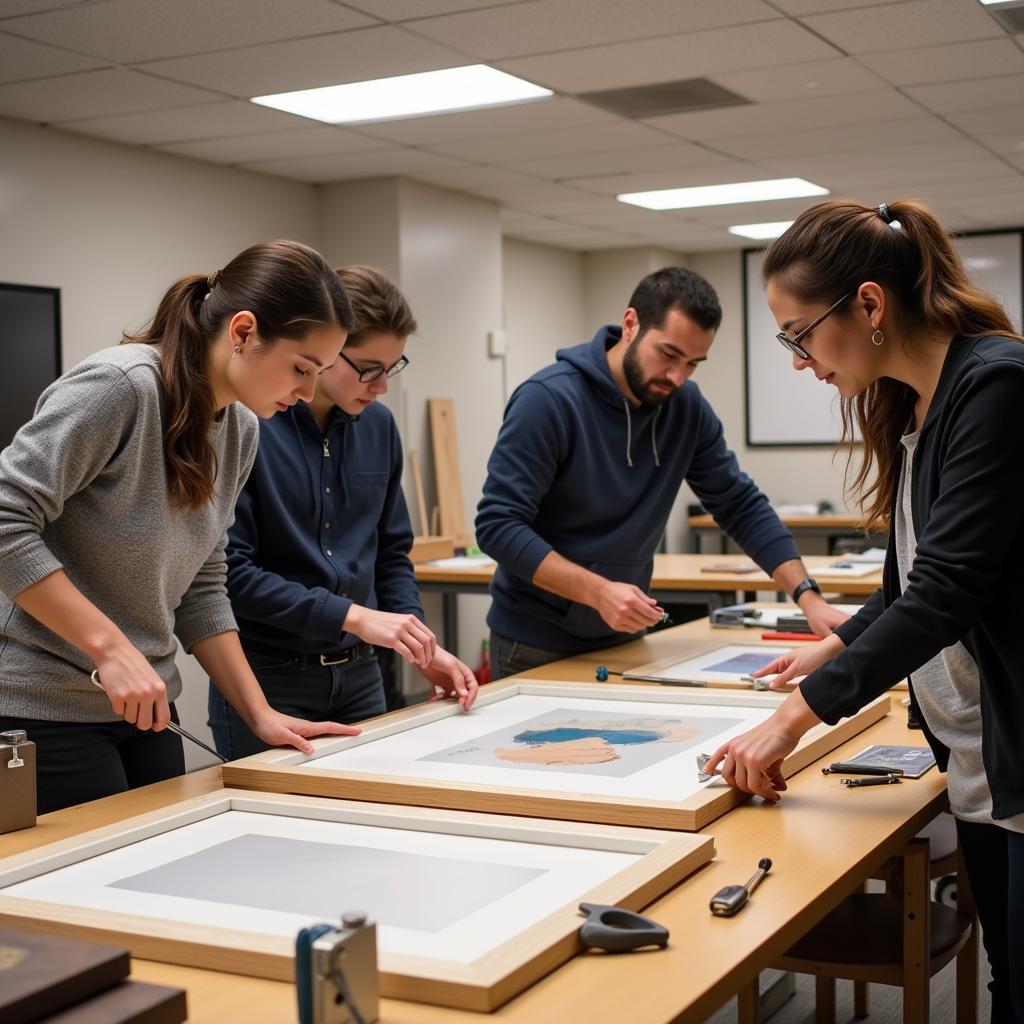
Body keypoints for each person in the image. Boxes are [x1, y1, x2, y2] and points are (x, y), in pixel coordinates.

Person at [705, 199, 1024, 1023]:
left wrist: (791, 721)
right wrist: (836, 643)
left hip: (1018, 752)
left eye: (798, 333)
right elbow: (912, 576)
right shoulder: (913, 405)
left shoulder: (996, 389)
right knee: (1007, 981)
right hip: (976, 760)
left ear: (871, 305)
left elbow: (948, 591)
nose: (799, 360)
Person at [0, 240, 359, 814]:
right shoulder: (121, 389)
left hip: (146, 705)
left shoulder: (240, 428)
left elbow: (203, 583)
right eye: (301, 368)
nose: (307, 394)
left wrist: (259, 712)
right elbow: (5, 519)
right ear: (243, 331)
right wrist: (111, 649)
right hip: (41, 705)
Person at [475, 266, 846, 679]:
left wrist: (807, 596)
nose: (677, 377)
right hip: (534, 644)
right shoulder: (547, 401)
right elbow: (498, 525)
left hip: (622, 638)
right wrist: (598, 592)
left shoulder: (684, 406)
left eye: (693, 363)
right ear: (630, 324)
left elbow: (738, 504)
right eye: (669, 355)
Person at [210, 265, 476, 761]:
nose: (381, 386)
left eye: (392, 369)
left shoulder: (379, 429)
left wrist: (419, 642)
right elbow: (229, 574)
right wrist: (351, 616)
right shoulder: (249, 425)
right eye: (368, 368)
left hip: (362, 675)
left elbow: (392, 555)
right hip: (271, 675)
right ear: (328, 352)